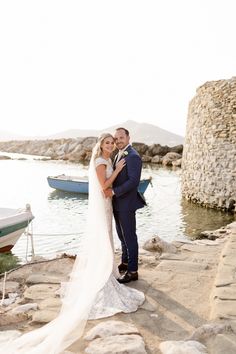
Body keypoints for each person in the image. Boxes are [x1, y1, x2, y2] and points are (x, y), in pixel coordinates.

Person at [0, 133, 145, 354]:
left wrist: (114, 184)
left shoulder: (120, 156)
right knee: (107, 238)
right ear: (101, 145)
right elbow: (104, 184)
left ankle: (121, 269)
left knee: (117, 237)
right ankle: (107, 272)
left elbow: (128, 181)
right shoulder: (102, 161)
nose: (112, 144)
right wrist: (114, 175)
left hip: (112, 204)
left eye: (114, 141)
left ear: (124, 140)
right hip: (107, 203)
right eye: (108, 142)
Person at [104, 128, 146, 284]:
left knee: (129, 236)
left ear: (128, 137)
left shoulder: (133, 156)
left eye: (121, 137)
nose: (118, 140)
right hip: (116, 203)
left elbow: (133, 182)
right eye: (116, 138)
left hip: (126, 203)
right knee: (121, 235)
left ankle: (133, 271)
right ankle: (126, 262)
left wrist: (114, 192)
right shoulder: (118, 154)